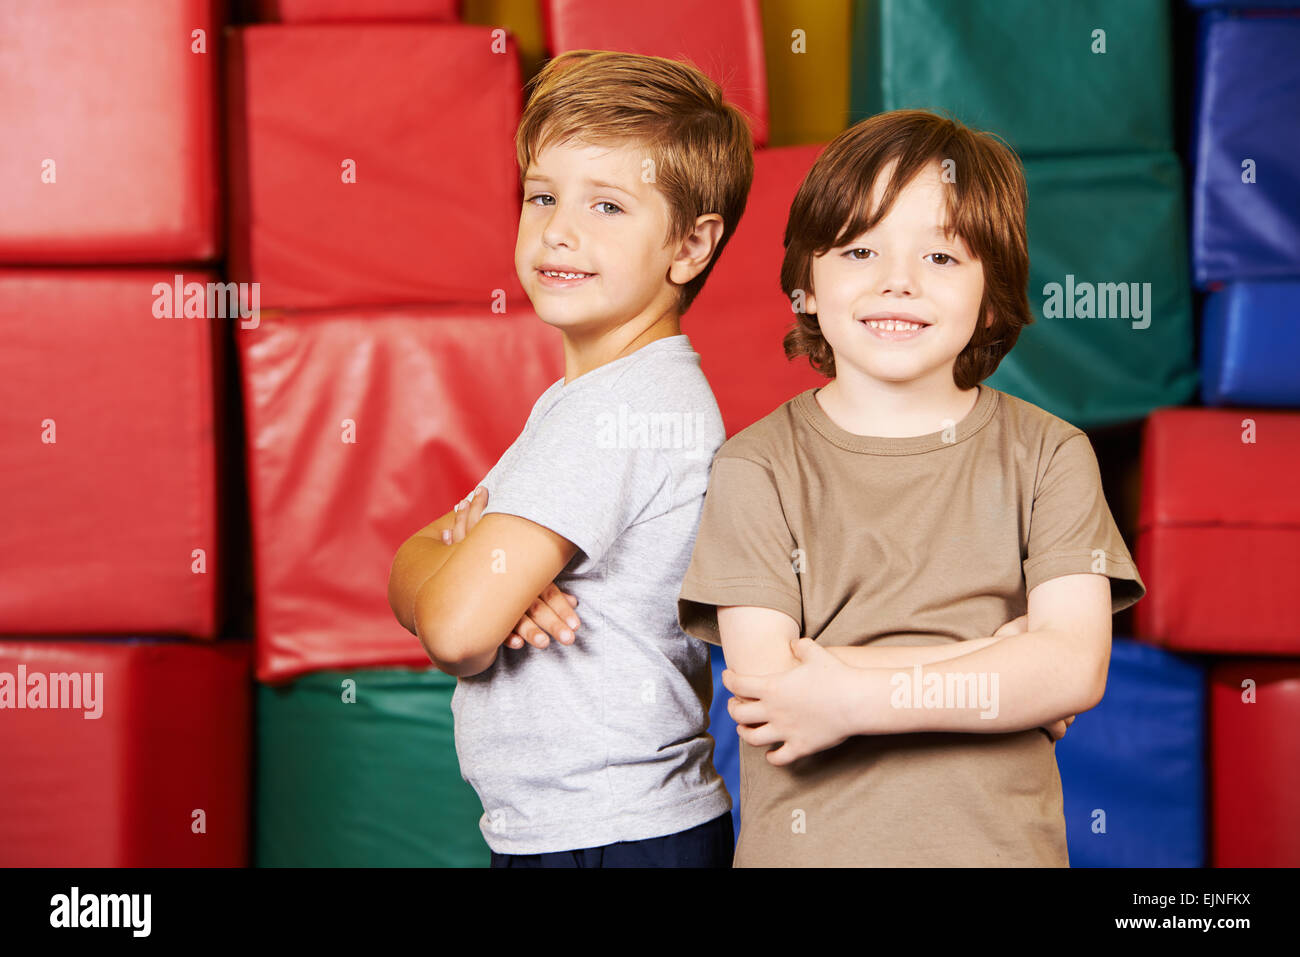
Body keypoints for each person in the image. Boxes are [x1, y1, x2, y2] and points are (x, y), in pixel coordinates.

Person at [677, 109, 1147, 867]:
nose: (897, 280)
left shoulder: (1052, 454)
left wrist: (852, 693)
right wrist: (996, 668)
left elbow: (1072, 667)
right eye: (860, 249)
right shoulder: (755, 467)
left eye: (940, 256)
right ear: (806, 288)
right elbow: (773, 692)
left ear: (993, 297)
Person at [387, 49, 755, 866]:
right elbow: (416, 563)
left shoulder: (624, 410)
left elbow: (451, 624)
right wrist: (453, 572)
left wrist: (462, 576)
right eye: (544, 195)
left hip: (612, 833)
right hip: (588, 827)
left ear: (690, 246)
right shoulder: (585, 405)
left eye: (608, 206)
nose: (559, 228)